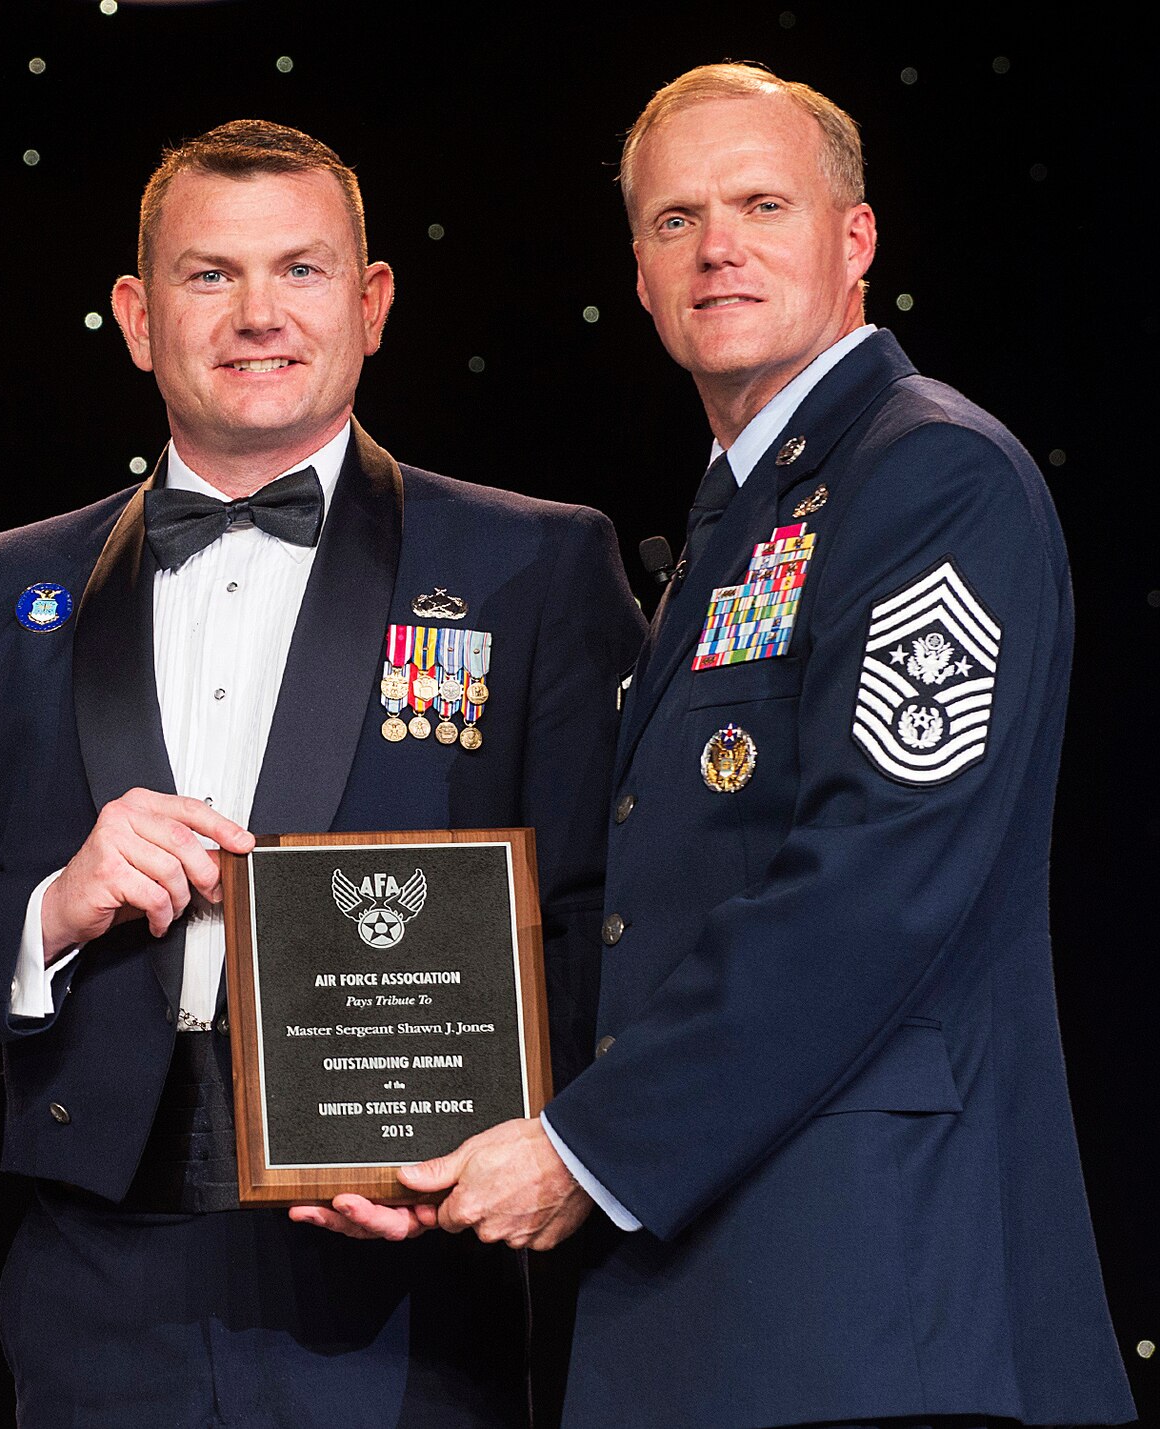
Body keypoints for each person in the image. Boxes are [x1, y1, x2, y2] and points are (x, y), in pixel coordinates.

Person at [323, 63, 1136, 1429]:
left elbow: (876, 880)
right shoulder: (745, 518)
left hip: (870, 1307)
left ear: (855, 239)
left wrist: (585, 1148)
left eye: (763, 202)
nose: (718, 249)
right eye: (674, 218)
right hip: (725, 1297)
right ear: (637, 272)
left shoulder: (931, 476)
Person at [0, 120, 644, 1427]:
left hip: (409, 1297)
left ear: (371, 304)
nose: (258, 313)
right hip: (94, 1288)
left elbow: (621, 915)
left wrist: (536, 1150)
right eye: (211, 276)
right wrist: (52, 906)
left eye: (301, 272)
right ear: (138, 318)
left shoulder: (534, 566)